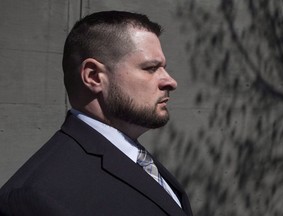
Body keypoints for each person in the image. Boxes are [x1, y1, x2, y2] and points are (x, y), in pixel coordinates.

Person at [0, 11, 193, 216]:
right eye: (150, 68)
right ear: (93, 76)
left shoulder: (137, 159)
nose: (170, 81)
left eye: (163, 67)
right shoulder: (38, 196)